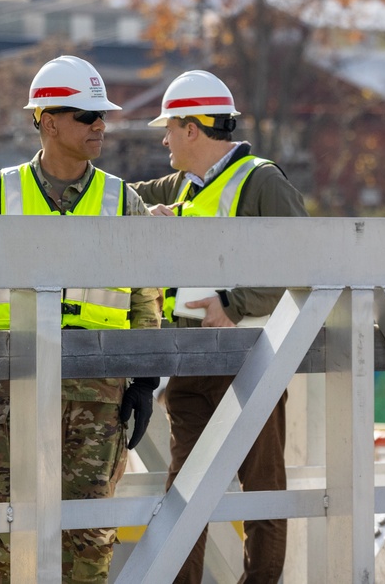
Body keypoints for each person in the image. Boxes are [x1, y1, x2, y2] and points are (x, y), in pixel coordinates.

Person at [0, 55, 162, 584]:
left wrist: (146, 378)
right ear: (48, 119)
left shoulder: (122, 201)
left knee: (86, 542)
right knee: (2, 537)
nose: (100, 125)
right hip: (14, 390)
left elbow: (144, 299)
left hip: (98, 399)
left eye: (102, 115)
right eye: (87, 116)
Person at [130, 70, 307, 584]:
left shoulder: (263, 181)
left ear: (192, 129)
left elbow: (307, 260)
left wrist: (235, 301)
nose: (163, 139)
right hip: (188, 367)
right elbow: (111, 199)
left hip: (250, 364)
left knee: (263, 492)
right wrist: (143, 215)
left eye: (169, 128)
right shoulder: (177, 185)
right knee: (183, 497)